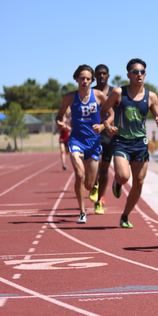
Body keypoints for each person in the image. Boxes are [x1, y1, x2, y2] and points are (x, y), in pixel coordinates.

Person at [100, 58, 158, 228]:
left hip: (140, 144)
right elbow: (103, 110)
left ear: (145, 74)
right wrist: (107, 124)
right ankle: (118, 181)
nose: (139, 75)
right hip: (121, 142)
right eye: (135, 72)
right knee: (123, 176)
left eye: (142, 72)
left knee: (139, 183)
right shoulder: (118, 93)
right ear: (128, 75)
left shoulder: (151, 96)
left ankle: (125, 216)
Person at [56, 65, 112, 224]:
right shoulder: (69, 98)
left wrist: (102, 126)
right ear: (76, 79)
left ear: (91, 80)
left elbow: (111, 115)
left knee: (88, 184)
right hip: (76, 141)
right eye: (82, 78)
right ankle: (82, 212)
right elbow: (59, 116)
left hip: (93, 143)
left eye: (88, 79)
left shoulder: (100, 96)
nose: (85, 81)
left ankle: (93, 186)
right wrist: (60, 123)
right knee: (79, 175)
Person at [90, 64, 114, 215]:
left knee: (104, 168)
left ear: (108, 75)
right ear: (95, 76)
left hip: (108, 135)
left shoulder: (114, 93)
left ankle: (100, 200)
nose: (102, 76)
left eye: (104, 74)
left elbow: (117, 113)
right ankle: (93, 184)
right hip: (92, 133)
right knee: (94, 164)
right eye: (99, 74)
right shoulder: (90, 92)